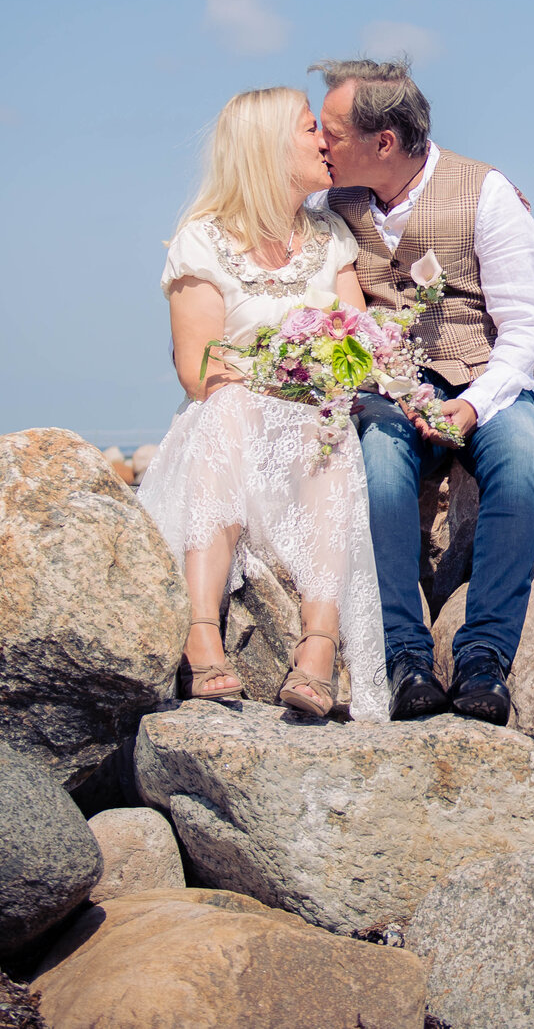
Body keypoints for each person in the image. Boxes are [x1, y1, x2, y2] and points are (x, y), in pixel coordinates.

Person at [134, 86, 392, 722]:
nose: (326, 143)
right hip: (232, 420)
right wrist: (272, 378)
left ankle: (318, 649)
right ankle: (203, 634)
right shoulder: (202, 242)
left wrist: (322, 377)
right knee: (227, 409)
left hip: (309, 416)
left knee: (327, 425)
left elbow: (357, 339)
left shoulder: (330, 238)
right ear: (270, 148)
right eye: (311, 130)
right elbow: (200, 367)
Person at [312, 58, 534, 725]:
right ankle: (405, 657)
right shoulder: (331, 203)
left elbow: (527, 327)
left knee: (522, 464)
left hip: (483, 377)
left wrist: (476, 403)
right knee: (380, 470)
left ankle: (484, 658)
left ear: (382, 142)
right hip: (390, 383)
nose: (321, 143)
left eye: (331, 132)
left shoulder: (488, 193)